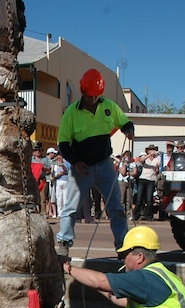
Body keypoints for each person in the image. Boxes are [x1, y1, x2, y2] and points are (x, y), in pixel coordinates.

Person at [56, 69, 134, 257]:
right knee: (71, 208)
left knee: (116, 207)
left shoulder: (109, 107)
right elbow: (63, 144)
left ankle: (122, 246)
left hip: (105, 165)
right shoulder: (71, 113)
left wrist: (129, 128)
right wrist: (75, 163)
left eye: (96, 96)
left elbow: (124, 122)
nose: (93, 99)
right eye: (89, 96)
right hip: (81, 168)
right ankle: (64, 244)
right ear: (83, 92)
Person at [134, 145, 161, 221]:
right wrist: (149, 155)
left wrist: (156, 168)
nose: (152, 151)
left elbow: (159, 166)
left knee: (149, 199)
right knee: (139, 198)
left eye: (153, 149)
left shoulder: (157, 158)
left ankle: (149, 216)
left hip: (151, 180)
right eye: (150, 149)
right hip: (142, 179)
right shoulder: (145, 157)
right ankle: (136, 215)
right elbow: (141, 160)